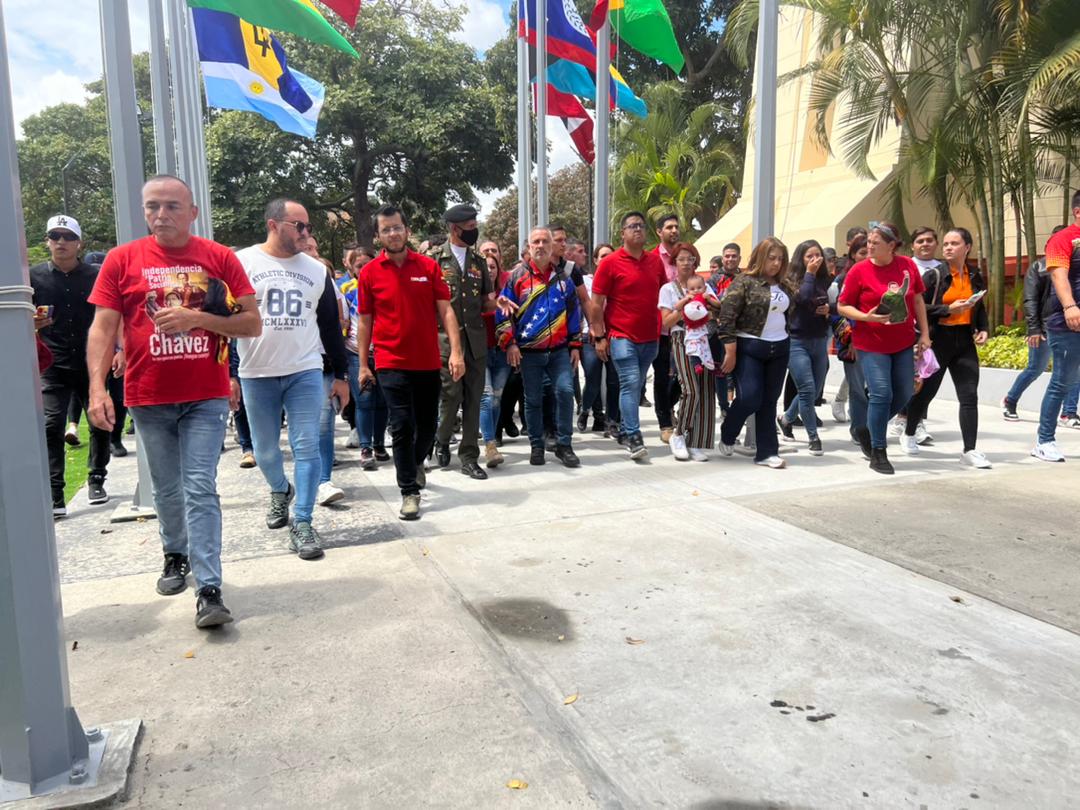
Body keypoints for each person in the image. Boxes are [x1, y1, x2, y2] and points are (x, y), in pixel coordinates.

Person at [87, 174, 260, 628]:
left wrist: (196, 317)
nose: (160, 215)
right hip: (148, 396)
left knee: (199, 485)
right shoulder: (121, 260)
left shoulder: (219, 257)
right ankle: (175, 554)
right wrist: (97, 387)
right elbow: (103, 328)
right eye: (152, 207)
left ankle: (209, 588)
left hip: (204, 394)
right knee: (166, 489)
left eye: (171, 207)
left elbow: (251, 323)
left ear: (192, 212)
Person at [234, 201, 350, 559]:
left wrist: (342, 375)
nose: (306, 233)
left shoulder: (316, 271)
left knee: (307, 446)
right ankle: (280, 490)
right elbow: (226, 319)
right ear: (273, 224)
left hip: (305, 369)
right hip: (256, 372)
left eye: (308, 227)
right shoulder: (243, 262)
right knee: (266, 450)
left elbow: (330, 327)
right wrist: (228, 375)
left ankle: (303, 521)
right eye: (298, 226)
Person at [357, 206, 465, 520]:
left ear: (407, 230)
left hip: (428, 361)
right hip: (390, 362)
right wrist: (364, 365)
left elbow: (446, 311)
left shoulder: (429, 267)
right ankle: (408, 491)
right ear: (378, 236)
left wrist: (456, 352)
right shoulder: (370, 273)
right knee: (401, 426)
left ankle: (417, 463)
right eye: (386, 229)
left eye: (397, 227)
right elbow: (365, 321)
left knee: (428, 426)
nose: (393, 233)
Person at [31, 215, 114, 516]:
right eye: (55, 236)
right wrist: (34, 323)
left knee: (99, 420)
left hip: (92, 359)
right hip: (53, 361)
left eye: (67, 237)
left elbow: (112, 314)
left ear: (79, 242)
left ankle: (96, 478)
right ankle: (55, 493)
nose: (61, 242)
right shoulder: (33, 277)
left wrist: (117, 349)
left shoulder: (96, 275)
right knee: (51, 424)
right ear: (48, 241)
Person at [837, 222, 931, 474]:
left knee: (903, 393)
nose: (869, 246)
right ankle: (878, 451)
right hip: (871, 343)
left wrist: (925, 334)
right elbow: (842, 305)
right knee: (881, 393)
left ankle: (868, 428)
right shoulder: (858, 271)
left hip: (902, 342)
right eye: (868, 241)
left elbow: (918, 300)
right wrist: (865, 317)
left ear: (891, 246)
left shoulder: (907, 266)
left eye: (875, 242)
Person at [900, 227, 991, 467]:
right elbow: (917, 308)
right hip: (939, 339)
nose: (948, 247)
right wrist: (947, 310)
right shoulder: (935, 275)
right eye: (947, 244)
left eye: (955, 243)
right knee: (927, 392)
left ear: (967, 247)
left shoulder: (974, 275)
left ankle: (969, 450)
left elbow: (979, 306)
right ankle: (909, 432)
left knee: (969, 395)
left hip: (964, 341)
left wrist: (983, 328)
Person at [496, 227, 582, 468]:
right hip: (529, 354)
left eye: (546, 241)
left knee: (565, 393)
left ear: (553, 246)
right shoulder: (516, 278)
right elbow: (503, 314)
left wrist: (575, 345)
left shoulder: (564, 279)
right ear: (529, 247)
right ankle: (537, 446)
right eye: (536, 242)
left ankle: (564, 445)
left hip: (559, 352)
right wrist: (510, 343)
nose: (541, 245)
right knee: (532, 400)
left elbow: (575, 312)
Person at [591, 212, 667, 459]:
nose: (638, 230)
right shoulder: (610, 263)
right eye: (632, 226)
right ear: (622, 233)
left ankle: (624, 428)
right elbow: (596, 303)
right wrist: (599, 336)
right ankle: (634, 436)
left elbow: (664, 294)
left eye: (641, 226)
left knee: (636, 386)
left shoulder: (655, 263)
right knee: (631, 382)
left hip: (650, 338)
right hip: (621, 335)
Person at [715, 238, 795, 468]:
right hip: (750, 346)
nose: (776, 263)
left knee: (769, 402)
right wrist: (730, 350)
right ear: (761, 257)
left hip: (780, 346)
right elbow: (727, 317)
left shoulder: (785, 284)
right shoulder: (744, 281)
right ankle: (729, 431)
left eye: (780, 259)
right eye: (772, 258)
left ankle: (767, 453)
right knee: (750, 397)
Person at [432, 205, 495, 480]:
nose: (474, 231)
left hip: (476, 342)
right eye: (470, 227)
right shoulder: (435, 260)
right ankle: (441, 438)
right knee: (451, 395)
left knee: (473, 399)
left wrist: (498, 302)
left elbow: (485, 299)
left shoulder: (479, 261)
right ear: (455, 228)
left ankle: (469, 456)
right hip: (445, 342)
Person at [1003, 226, 1080, 425]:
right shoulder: (1039, 268)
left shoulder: (1074, 268)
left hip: (1069, 325)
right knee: (1035, 368)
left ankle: (1068, 412)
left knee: (1073, 371)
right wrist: (1034, 328)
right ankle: (1010, 400)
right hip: (1046, 327)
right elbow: (1031, 299)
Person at [1033, 191, 1080, 461]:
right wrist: (1070, 306)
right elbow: (1058, 274)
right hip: (1067, 322)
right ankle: (1044, 440)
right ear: (1077, 212)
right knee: (1062, 381)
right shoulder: (1062, 239)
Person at [660, 243, 717, 461]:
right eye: (682, 259)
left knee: (704, 389)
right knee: (690, 389)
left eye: (690, 259)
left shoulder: (704, 286)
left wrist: (706, 308)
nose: (686, 263)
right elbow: (666, 321)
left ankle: (696, 441)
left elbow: (714, 311)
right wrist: (687, 309)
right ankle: (678, 433)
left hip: (704, 339)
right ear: (674, 262)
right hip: (681, 339)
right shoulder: (668, 289)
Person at [777, 240, 831, 455]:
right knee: (807, 389)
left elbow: (838, 304)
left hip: (819, 340)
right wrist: (809, 274)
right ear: (801, 259)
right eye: (809, 256)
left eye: (818, 255)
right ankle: (813, 437)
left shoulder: (826, 281)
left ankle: (786, 418)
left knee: (816, 390)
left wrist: (830, 309)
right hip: (796, 341)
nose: (815, 260)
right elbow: (804, 297)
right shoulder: (790, 281)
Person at [829, 235, 870, 444]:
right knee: (858, 389)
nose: (868, 256)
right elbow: (838, 313)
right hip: (854, 342)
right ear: (852, 255)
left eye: (870, 251)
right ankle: (858, 430)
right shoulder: (844, 279)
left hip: (878, 342)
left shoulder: (878, 274)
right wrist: (852, 340)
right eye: (862, 252)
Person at [580, 243, 617, 434]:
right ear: (595, 260)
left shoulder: (618, 280)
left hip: (614, 335)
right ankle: (585, 410)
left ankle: (611, 422)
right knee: (593, 378)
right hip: (590, 336)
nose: (606, 259)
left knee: (613, 381)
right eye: (603, 256)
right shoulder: (585, 281)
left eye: (610, 256)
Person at [650, 214, 682, 441]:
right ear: (659, 232)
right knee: (662, 376)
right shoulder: (651, 259)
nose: (673, 230)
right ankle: (664, 423)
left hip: (685, 330)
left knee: (682, 376)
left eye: (676, 227)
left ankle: (670, 407)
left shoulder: (685, 257)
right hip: (660, 329)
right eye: (669, 227)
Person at [479, 253, 511, 467]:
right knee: (486, 398)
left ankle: (492, 438)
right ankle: (490, 445)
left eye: (493, 266)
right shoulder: (474, 294)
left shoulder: (506, 292)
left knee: (497, 399)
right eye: (486, 266)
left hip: (501, 352)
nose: (490, 269)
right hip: (479, 352)